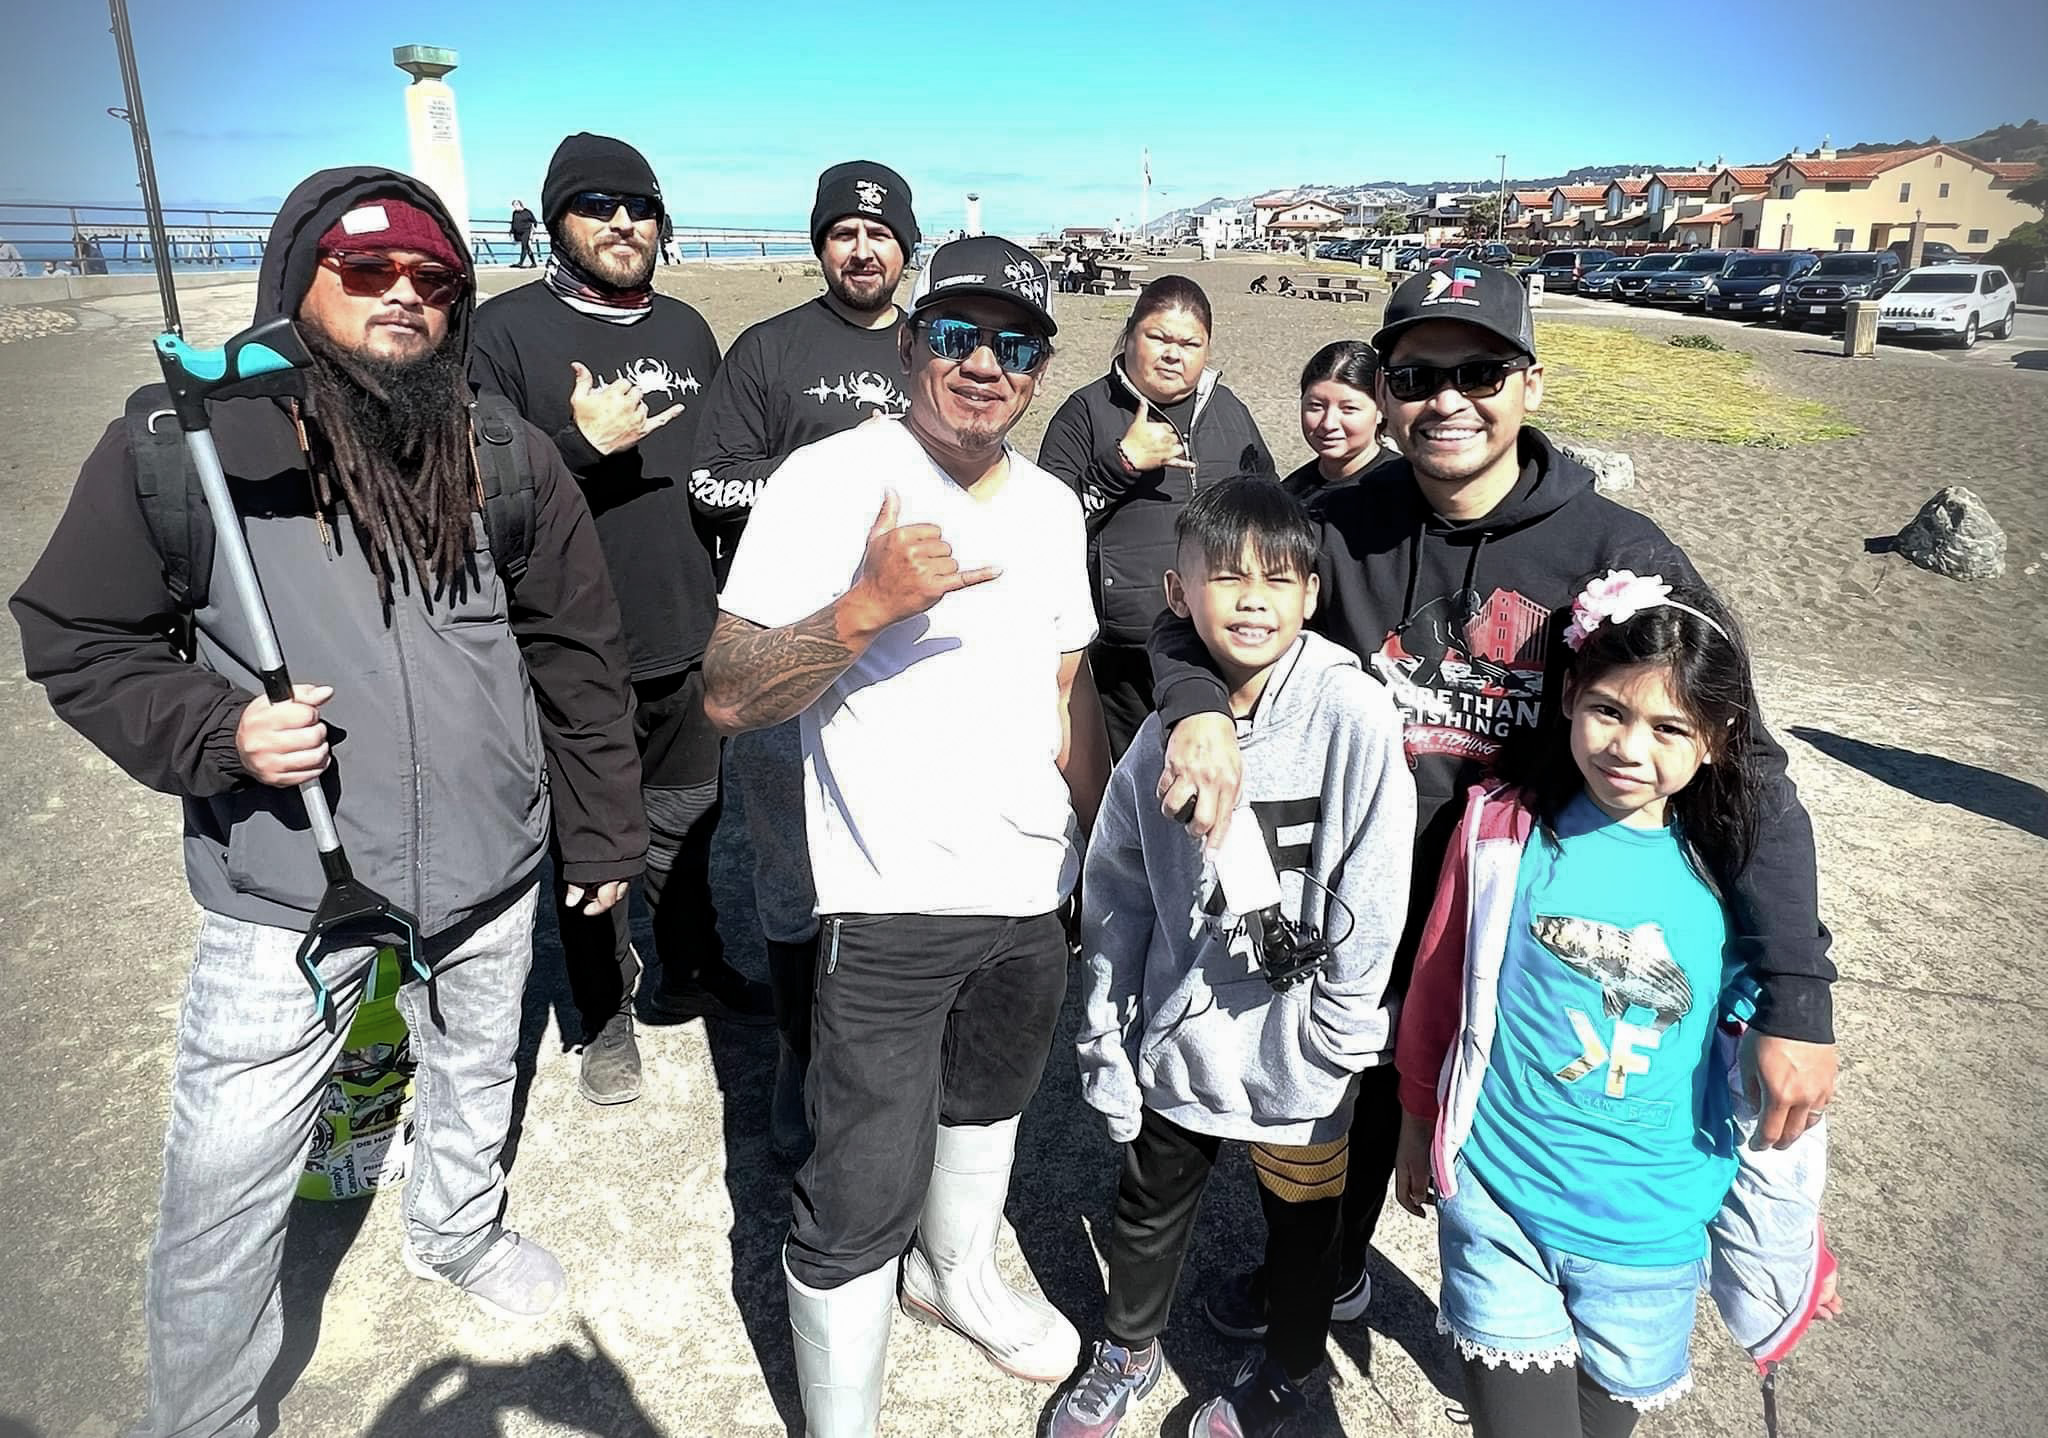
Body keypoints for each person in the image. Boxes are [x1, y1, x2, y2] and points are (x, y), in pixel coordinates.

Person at [10, 167, 645, 1437]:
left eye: (433, 279)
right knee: (227, 1170)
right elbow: (78, 635)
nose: (403, 295)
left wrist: (599, 823)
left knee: (476, 1066)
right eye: (366, 271)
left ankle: (455, 1229)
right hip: (287, 883)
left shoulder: (505, 450)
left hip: (490, 859)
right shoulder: (184, 446)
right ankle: (205, 1410)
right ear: (298, 282)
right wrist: (219, 729)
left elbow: (575, 652)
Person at [1145, 262, 1837, 1354]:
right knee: (1350, 1110)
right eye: (1417, 375)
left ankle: (1564, 1341)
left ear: (1530, 384)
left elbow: (1743, 762)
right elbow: (1190, 608)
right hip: (1366, 904)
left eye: (1479, 371)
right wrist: (1194, 710)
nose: (1447, 400)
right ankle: (1325, 1275)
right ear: (1385, 389)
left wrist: (1795, 993)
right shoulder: (1336, 525)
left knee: (1533, 1148)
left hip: (1532, 924)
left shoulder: (1617, 554)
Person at [702, 236, 1106, 1436]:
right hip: (885, 895)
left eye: (1013, 345)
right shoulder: (830, 479)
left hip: (1027, 887)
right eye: (956, 336)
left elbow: (1067, 685)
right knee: (858, 1186)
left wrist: (1096, 855)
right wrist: (863, 607)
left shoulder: (1050, 505)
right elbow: (726, 693)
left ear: (1039, 369)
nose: (984, 364)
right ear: (909, 345)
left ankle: (955, 1277)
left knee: (987, 1107)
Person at [1392, 571, 1840, 1437]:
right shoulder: (1500, 832)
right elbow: (1440, 984)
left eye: (1669, 728)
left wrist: (1789, 1245)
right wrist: (1418, 1119)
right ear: (1568, 696)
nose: (1629, 748)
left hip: (1653, 1235)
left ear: (1717, 739)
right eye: (1608, 710)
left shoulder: (1730, 877)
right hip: (1501, 1200)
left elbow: (1758, 1085)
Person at [1055, 479, 1415, 1438]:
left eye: (1279, 579)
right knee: (1148, 1203)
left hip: (1303, 1049)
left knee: (1304, 1227)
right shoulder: (1158, 740)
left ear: (1312, 594)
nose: (1254, 600)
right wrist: (1105, 1034)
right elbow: (1119, 893)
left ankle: (1291, 1370)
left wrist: (1341, 1028)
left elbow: (1379, 875)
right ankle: (1127, 1348)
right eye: (1226, 577)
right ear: (1178, 593)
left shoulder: (1353, 713)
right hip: (1184, 1035)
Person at [471, 131, 770, 1109]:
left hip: (687, 625)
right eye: (596, 205)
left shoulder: (686, 329)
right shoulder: (502, 333)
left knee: (688, 818)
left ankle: (689, 967)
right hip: (566, 645)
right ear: (555, 219)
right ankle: (603, 1011)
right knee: (590, 843)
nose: (622, 222)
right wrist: (574, 445)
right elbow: (464, 497)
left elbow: (718, 474)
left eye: (639, 206)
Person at [689, 159, 920, 1160]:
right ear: (820, 244)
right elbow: (709, 482)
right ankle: (797, 1049)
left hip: (907, 656)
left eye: (879, 234)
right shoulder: (769, 349)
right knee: (789, 866)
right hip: (787, 644)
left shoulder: (935, 346)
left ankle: (882, 1042)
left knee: (893, 858)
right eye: (842, 234)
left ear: (905, 247)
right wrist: (820, 472)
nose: (861, 251)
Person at [1038, 275, 1274, 757]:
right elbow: (1044, 528)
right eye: (1159, 338)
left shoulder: (1229, 411)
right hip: (1121, 660)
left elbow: (1267, 513)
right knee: (1133, 781)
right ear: (1130, 335)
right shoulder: (1085, 413)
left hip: (1220, 647)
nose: (1173, 355)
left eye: (1189, 344)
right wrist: (1120, 464)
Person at [1281, 339, 1394, 505]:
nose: (1328, 424)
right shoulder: (1288, 495)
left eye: (1349, 408)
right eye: (1316, 406)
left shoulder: (1407, 491)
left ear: (1380, 410)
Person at [510, 199, 538, 267]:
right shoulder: (514, 213)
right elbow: (513, 222)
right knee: (527, 247)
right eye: (514, 206)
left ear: (520, 204)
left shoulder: (527, 212)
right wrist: (511, 231)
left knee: (524, 246)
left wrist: (534, 229)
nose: (515, 207)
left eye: (516, 205)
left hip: (526, 231)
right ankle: (534, 263)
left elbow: (534, 221)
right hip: (518, 233)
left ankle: (521, 263)